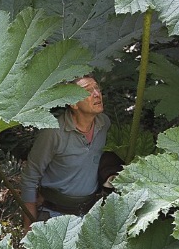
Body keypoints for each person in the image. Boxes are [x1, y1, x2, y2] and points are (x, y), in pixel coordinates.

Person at [20, 75, 112, 231]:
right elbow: (29, 178)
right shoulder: (53, 133)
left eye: (97, 88)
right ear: (73, 104)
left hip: (91, 215)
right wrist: (29, 227)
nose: (97, 94)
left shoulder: (104, 124)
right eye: (88, 91)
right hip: (56, 217)